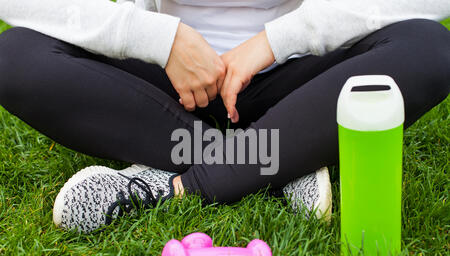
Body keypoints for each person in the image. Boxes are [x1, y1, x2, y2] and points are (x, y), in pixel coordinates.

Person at [0, 0, 449, 233]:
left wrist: (276, 40)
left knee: (428, 48)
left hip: (294, 73)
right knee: (16, 57)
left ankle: (176, 186)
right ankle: (281, 156)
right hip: (164, 81)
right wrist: (160, 40)